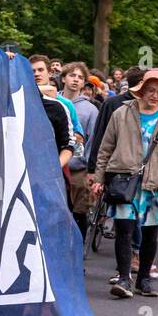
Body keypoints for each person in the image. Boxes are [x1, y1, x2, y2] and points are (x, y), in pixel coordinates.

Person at [90, 69, 158, 298]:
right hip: (124, 181)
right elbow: (106, 148)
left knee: (150, 234)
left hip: (153, 185)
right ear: (141, 91)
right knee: (124, 230)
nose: (154, 95)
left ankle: (144, 280)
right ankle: (123, 278)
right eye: (150, 90)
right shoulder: (121, 113)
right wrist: (99, 178)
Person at [61, 62, 99, 238]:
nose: (75, 80)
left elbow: (92, 140)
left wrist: (91, 170)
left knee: (79, 210)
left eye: (80, 77)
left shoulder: (90, 110)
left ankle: (79, 245)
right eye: (72, 75)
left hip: (78, 168)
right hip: (56, 165)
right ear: (63, 78)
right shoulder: (54, 102)